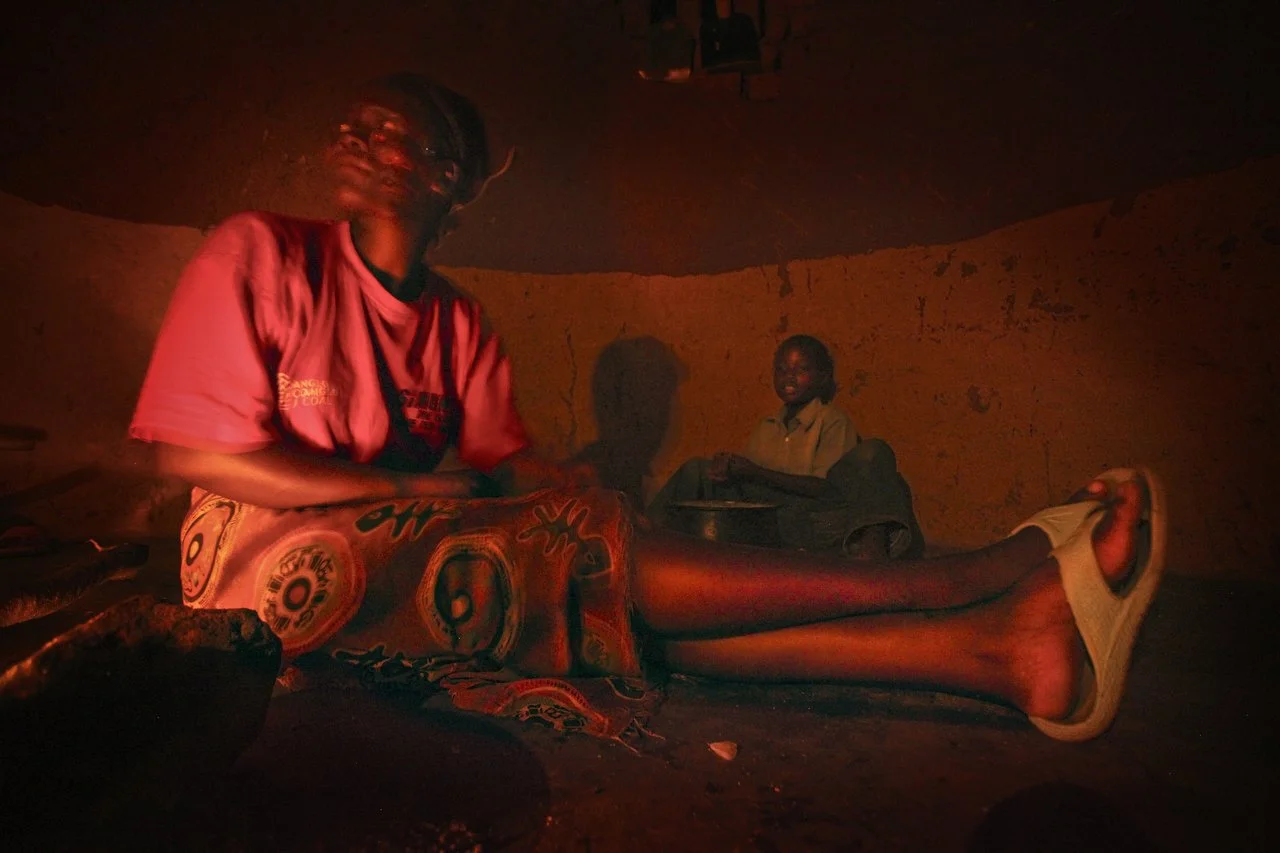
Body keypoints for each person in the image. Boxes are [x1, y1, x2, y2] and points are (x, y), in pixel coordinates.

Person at [130, 72, 1167, 745]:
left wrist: (572, 482)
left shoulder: (455, 322)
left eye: (392, 133)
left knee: (598, 584)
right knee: (552, 554)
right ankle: (969, 573)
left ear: (449, 177)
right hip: (255, 569)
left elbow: (503, 464)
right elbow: (199, 457)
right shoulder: (260, 254)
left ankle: (1006, 656)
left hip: (419, 555)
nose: (355, 139)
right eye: (351, 125)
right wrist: (415, 486)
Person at [646, 334, 920, 560]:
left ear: (824, 378)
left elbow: (828, 489)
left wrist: (756, 473)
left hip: (813, 520)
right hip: (771, 521)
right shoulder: (768, 425)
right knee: (697, 469)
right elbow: (753, 490)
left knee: (875, 451)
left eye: (801, 370)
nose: (789, 378)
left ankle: (871, 555)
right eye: (781, 370)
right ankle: (644, 535)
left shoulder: (832, 421)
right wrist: (729, 469)